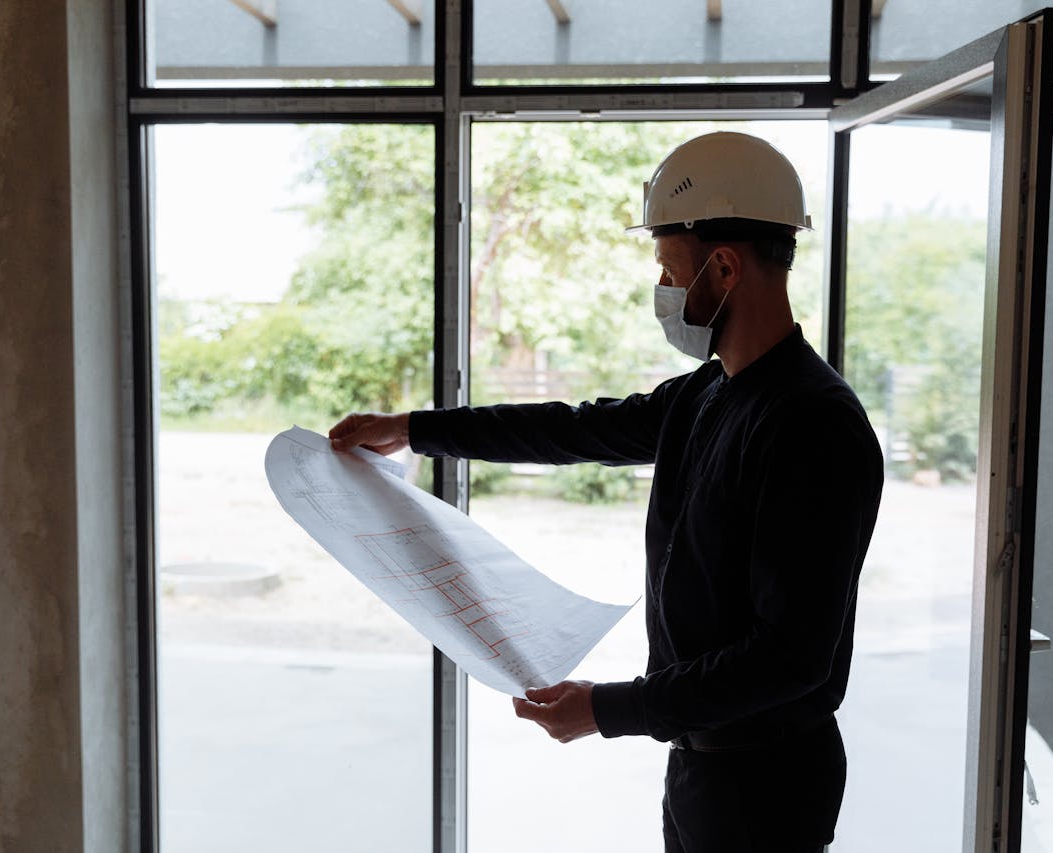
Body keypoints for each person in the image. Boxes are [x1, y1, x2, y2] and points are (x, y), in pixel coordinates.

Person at [329, 131, 883, 853]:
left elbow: (788, 656)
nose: (663, 291)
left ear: (722, 266)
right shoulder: (708, 394)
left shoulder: (811, 424)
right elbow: (573, 429)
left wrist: (610, 708)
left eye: (668, 269)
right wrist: (412, 428)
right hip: (699, 763)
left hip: (768, 784)